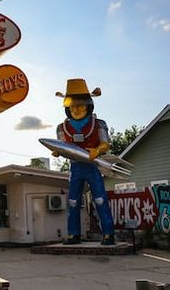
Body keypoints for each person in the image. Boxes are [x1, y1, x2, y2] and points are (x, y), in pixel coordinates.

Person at [52, 78, 115, 245]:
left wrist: (97, 151)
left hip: (92, 167)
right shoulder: (62, 128)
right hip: (75, 168)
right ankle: (74, 234)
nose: (76, 110)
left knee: (100, 199)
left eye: (80, 105)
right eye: (73, 106)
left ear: (88, 105)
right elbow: (62, 146)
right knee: (73, 201)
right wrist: (57, 151)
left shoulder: (98, 124)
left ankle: (108, 233)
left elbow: (105, 143)